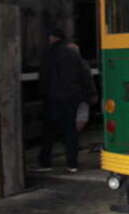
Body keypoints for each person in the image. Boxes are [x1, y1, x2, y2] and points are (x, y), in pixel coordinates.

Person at [35, 28, 94, 173]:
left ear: (52, 38)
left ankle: (45, 163)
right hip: (71, 98)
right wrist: (88, 94)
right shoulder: (73, 54)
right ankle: (72, 164)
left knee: (48, 132)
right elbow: (84, 76)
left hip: (52, 98)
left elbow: (43, 77)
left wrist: (42, 95)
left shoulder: (48, 54)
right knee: (70, 131)